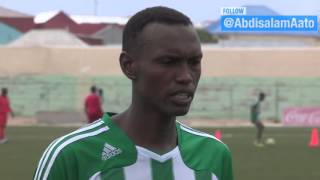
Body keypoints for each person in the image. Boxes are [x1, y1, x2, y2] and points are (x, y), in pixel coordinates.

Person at [34, 6, 233, 180]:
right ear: (128, 66)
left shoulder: (214, 154)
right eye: (168, 62)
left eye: (194, 62)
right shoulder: (70, 155)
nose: (186, 76)